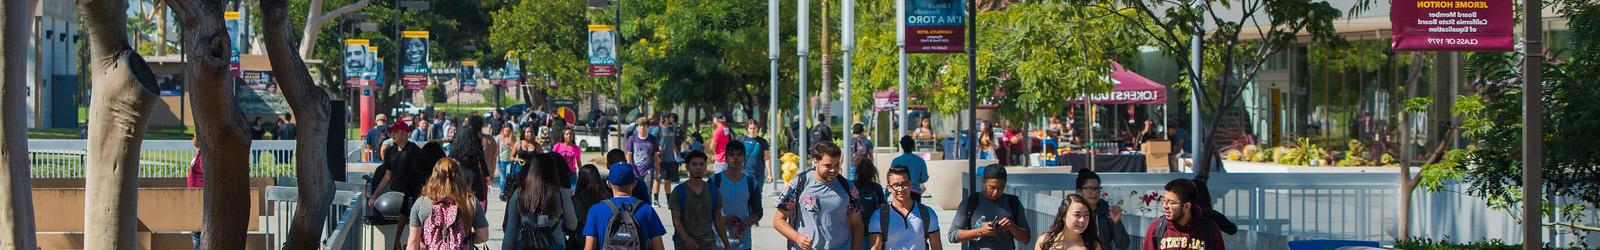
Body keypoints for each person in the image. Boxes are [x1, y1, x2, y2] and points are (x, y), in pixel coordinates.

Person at [774, 142, 864, 250]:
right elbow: (778, 220)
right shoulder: (798, 185)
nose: (833, 170)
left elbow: (857, 225)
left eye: (837, 165)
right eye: (828, 166)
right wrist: (797, 238)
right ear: (815, 161)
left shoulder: (848, 188)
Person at [581, 163, 669, 250]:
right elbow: (659, 247)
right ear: (634, 183)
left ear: (608, 184)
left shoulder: (596, 210)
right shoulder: (647, 210)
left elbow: (589, 247)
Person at [408, 158, 491, 248]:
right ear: (459, 176)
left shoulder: (421, 203)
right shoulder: (470, 202)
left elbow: (413, 241)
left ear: (434, 176)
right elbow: (483, 236)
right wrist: (465, 239)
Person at [503, 153, 579, 250]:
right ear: (553, 170)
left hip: (526, 244)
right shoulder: (560, 193)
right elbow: (572, 225)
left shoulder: (519, 193)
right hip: (555, 244)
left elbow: (511, 229)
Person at [948, 164, 1031, 250]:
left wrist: (1012, 226)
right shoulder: (970, 203)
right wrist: (980, 231)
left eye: (1001, 188)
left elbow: (1026, 239)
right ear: (984, 181)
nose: (996, 192)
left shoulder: (1014, 203)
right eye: (992, 187)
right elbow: (952, 235)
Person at [868, 165, 943, 250]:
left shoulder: (928, 213)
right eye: (895, 185)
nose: (901, 189)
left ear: (910, 184)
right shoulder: (878, 216)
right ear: (889, 188)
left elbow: (937, 247)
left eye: (904, 184)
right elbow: (875, 247)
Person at [670, 150, 730, 250]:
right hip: (684, 245)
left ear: (706, 167)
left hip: (708, 243)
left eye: (702, 164)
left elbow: (718, 219)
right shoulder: (678, 191)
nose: (698, 167)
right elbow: (676, 221)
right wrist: (687, 239)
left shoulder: (713, 191)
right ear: (687, 167)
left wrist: (727, 245)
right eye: (694, 164)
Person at [1142, 179, 1224, 250]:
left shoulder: (1209, 228)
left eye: (1171, 203)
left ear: (1187, 206)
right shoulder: (1156, 228)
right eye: (1164, 200)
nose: (1165, 206)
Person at [714, 143, 762, 250]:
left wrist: (744, 225)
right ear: (726, 158)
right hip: (718, 242)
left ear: (744, 158)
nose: (735, 157)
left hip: (743, 243)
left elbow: (758, 212)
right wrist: (721, 219)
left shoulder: (751, 183)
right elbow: (705, 210)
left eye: (739, 155)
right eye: (731, 154)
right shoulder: (714, 181)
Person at [1076, 170, 1130, 249]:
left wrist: (1116, 223)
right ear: (1079, 191)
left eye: (1097, 188)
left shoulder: (1107, 213)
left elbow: (1124, 245)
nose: (1094, 193)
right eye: (1090, 188)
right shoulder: (1073, 214)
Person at [449, 116, 495, 206]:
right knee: (474, 202)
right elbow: (482, 159)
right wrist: (487, 175)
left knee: (461, 201)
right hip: (474, 174)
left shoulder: (460, 137)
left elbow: (452, 155)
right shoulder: (475, 138)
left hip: (461, 173)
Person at [568, 164, 613, 248]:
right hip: (605, 239)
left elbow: (572, 224)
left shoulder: (575, 199)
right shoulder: (607, 197)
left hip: (582, 240)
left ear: (580, 179)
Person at [1035, 194, 1101, 250]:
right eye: (1077, 215)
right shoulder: (1045, 241)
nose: (1082, 220)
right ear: (1064, 216)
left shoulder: (1093, 246)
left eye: (1086, 215)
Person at [625, 118, 661, 206]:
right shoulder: (632, 139)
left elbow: (656, 156)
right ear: (637, 127)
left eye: (644, 126)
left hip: (648, 170)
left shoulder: (652, 139)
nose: (642, 128)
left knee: (647, 193)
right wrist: (629, 169)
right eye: (640, 126)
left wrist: (658, 171)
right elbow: (629, 155)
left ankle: (647, 211)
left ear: (648, 127)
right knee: (634, 192)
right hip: (635, 171)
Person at [852, 160, 887, 250]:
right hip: (873, 230)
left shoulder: (852, 185)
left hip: (855, 229)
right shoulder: (877, 187)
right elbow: (882, 208)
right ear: (873, 172)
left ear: (858, 172)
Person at [889, 136, 930, 200]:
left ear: (902, 146)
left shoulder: (896, 161)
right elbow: (924, 178)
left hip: (899, 192)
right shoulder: (920, 161)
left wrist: (886, 195)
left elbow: (890, 178)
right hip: (915, 192)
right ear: (913, 145)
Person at [655, 114, 684, 205]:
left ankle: (669, 200)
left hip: (670, 158)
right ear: (665, 119)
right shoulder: (658, 129)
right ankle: (655, 199)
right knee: (658, 178)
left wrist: (677, 152)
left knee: (668, 180)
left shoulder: (672, 129)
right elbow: (653, 142)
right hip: (660, 158)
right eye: (670, 117)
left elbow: (673, 142)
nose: (672, 119)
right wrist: (657, 151)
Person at [741, 121, 772, 194]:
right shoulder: (742, 140)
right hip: (745, 172)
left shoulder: (763, 142)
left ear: (757, 128)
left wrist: (769, 174)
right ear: (747, 129)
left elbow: (766, 158)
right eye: (750, 128)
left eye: (754, 128)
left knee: (757, 195)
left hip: (759, 173)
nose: (752, 130)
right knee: (746, 194)